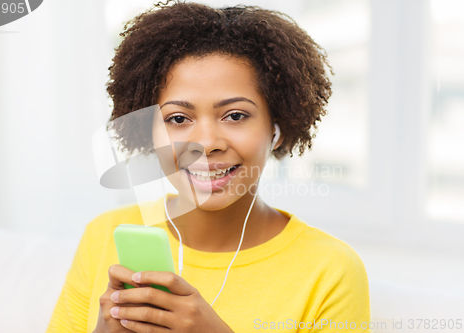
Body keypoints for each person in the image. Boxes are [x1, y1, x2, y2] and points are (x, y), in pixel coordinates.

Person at [46, 1, 371, 332]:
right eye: (178, 118)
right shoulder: (104, 237)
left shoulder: (330, 270)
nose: (206, 142)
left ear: (277, 128)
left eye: (235, 116)